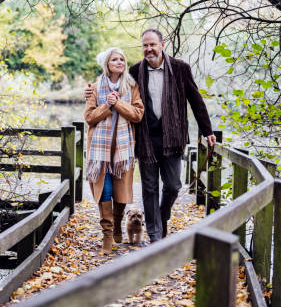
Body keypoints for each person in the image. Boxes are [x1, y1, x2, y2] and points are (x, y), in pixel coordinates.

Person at [85, 29, 216, 242]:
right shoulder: (136, 71)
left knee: (173, 185)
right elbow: (113, 82)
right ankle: (155, 236)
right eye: (145, 45)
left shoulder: (181, 68)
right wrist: (90, 91)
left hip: (173, 139)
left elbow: (196, 100)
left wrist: (207, 131)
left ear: (162, 45)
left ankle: (162, 216)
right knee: (150, 187)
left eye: (152, 45)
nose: (149, 49)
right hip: (145, 140)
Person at [84, 47, 144, 255]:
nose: (119, 62)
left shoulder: (131, 86)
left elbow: (137, 114)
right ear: (107, 64)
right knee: (105, 191)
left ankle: (118, 223)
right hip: (99, 153)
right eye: (114, 59)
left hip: (123, 152)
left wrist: (117, 103)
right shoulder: (95, 87)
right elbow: (89, 117)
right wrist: (107, 107)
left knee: (120, 194)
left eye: (122, 59)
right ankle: (107, 236)